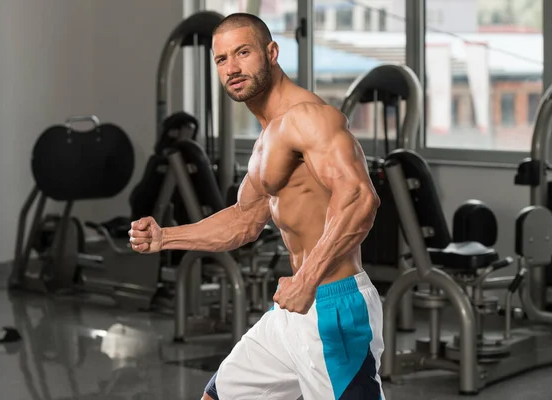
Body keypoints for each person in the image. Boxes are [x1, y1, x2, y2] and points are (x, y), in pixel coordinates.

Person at [129, 12, 384, 400]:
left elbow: (360, 199)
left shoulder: (309, 118)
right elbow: (245, 220)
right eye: (222, 59)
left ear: (272, 52)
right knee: (221, 396)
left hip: (334, 306)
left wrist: (306, 280)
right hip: (293, 312)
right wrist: (165, 237)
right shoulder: (269, 135)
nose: (232, 67)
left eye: (243, 52)